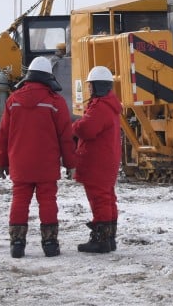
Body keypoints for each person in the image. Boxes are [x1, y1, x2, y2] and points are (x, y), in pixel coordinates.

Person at [0, 56, 77, 258]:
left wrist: (1, 161)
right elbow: (65, 137)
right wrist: (70, 164)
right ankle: (50, 244)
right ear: (48, 77)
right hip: (46, 165)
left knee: (19, 201)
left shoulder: (13, 101)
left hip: (19, 164)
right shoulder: (55, 102)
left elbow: (3, 135)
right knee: (48, 201)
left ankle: (17, 244)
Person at [72, 66, 123, 253]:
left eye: (91, 86)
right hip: (106, 159)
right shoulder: (110, 105)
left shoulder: (100, 107)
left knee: (99, 198)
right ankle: (109, 237)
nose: (89, 90)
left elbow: (86, 129)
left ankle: (101, 240)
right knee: (107, 197)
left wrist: (73, 127)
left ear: (97, 86)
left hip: (97, 161)